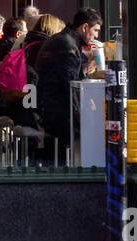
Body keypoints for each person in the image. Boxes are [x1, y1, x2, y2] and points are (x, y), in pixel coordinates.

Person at [35, 8, 103, 146]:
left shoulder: (62, 40)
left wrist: (87, 67)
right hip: (59, 115)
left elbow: (64, 75)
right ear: (85, 27)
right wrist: (86, 113)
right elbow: (69, 85)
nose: (96, 36)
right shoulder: (68, 46)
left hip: (49, 109)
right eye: (95, 30)